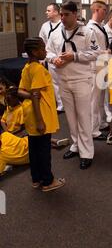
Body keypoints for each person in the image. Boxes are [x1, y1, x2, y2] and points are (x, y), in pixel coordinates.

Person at [46, 1, 100, 170]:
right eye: (61, 14)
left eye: (66, 14)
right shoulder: (55, 33)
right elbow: (48, 51)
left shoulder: (87, 32)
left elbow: (95, 52)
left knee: (83, 116)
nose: (62, 17)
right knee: (70, 117)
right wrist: (54, 58)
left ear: (75, 14)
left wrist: (74, 56)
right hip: (63, 80)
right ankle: (76, 146)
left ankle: (87, 153)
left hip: (81, 80)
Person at [18, 37, 65, 192]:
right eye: (42, 48)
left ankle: (36, 179)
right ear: (34, 51)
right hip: (40, 114)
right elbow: (36, 93)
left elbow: (21, 91)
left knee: (34, 149)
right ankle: (48, 181)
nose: (45, 51)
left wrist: (31, 96)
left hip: (29, 113)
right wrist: (40, 120)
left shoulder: (27, 67)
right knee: (44, 150)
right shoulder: (38, 69)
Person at [87, 0, 110, 140]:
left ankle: (100, 123)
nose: (105, 14)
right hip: (95, 68)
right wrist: (107, 51)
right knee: (94, 100)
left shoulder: (100, 27)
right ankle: (93, 130)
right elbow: (93, 49)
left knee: (101, 99)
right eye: (104, 11)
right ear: (96, 10)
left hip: (103, 66)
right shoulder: (90, 29)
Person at [39, 3, 63, 112]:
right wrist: (42, 59)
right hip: (50, 57)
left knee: (64, 81)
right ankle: (60, 104)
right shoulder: (45, 26)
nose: (46, 12)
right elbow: (42, 42)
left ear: (56, 12)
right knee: (55, 82)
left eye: (49, 10)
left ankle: (67, 102)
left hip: (64, 57)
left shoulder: (63, 24)